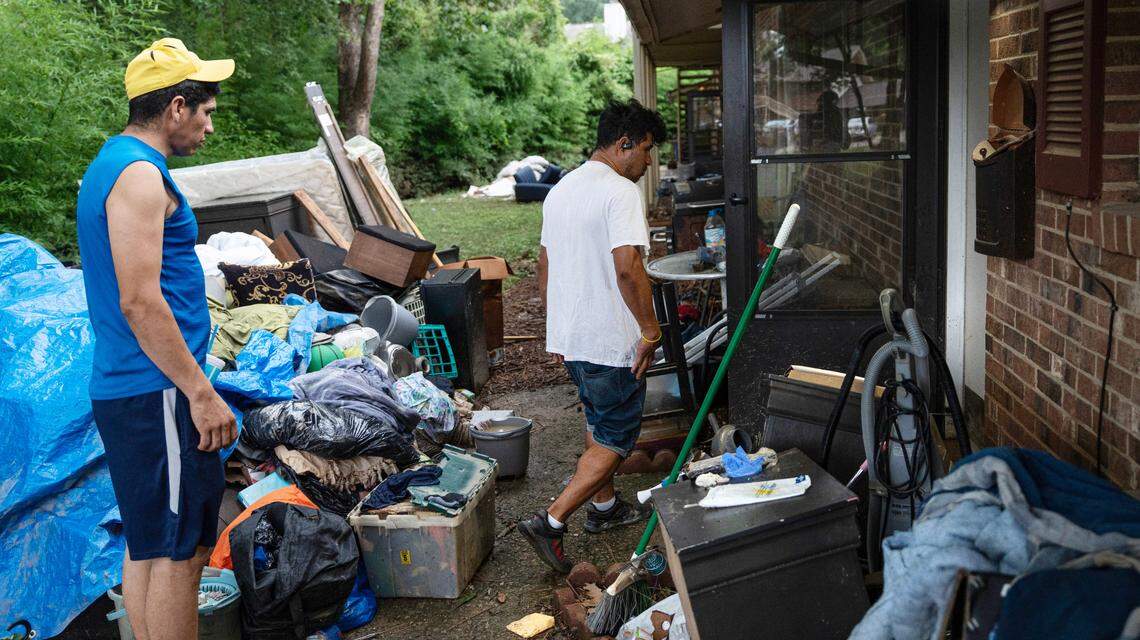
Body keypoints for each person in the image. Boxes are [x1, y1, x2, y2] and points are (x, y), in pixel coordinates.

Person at [76, 38, 236, 640]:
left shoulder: (111, 164)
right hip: (159, 390)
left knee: (149, 548)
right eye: (206, 111)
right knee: (179, 558)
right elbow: (140, 300)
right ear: (175, 107)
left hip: (136, 390)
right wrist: (199, 392)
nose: (208, 126)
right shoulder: (141, 176)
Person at [518, 99, 668, 573]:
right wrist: (650, 329)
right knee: (616, 438)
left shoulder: (562, 190)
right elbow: (629, 267)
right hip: (609, 341)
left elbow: (545, 265)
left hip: (573, 335)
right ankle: (552, 520)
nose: (647, 162)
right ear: (624, 144)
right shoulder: (619, 192)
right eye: (646, 150)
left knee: (597, 417)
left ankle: (604, 509)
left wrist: (558, 319)